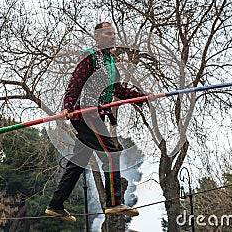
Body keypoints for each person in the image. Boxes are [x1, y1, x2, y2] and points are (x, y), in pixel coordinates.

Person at [45, 22, 154, 221]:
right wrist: (68, 106)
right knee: (111, 152)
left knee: (78, 162)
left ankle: (56, 205)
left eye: (114, 33)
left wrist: (142, 96)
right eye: (108, 33)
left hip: (96, 116)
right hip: (85, 115)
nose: (113, 36)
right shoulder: (90, 57)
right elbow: (75, 82)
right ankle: (113, 203)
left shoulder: (111, 62)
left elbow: (118, 90)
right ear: (97, 36)